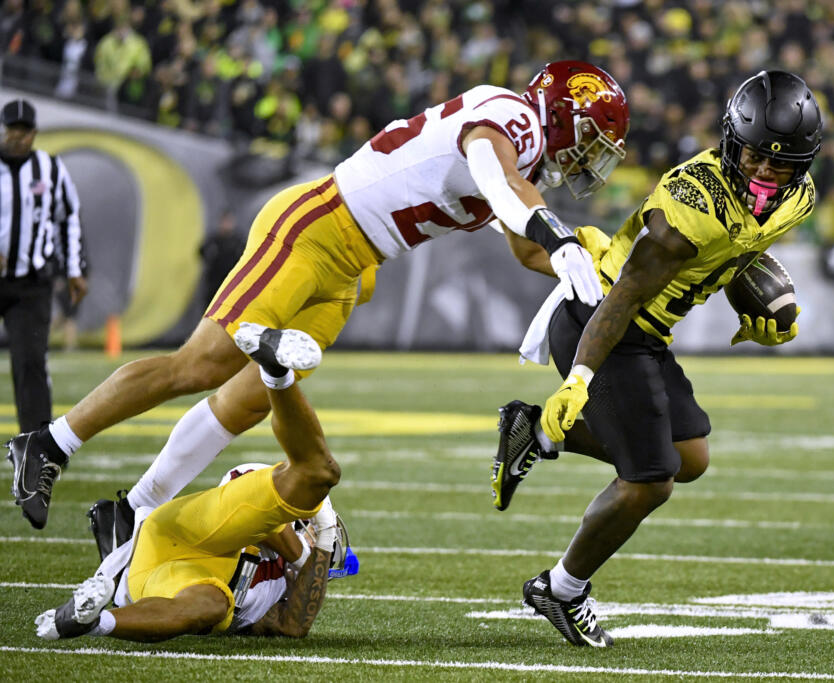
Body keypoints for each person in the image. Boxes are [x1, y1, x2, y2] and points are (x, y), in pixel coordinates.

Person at [6, 60, 630, 530]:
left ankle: (134, 512)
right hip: (316, 228)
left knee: (255, 395)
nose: (588, 164)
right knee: (202, 362)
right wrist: (557, 235)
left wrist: (609, 273)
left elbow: (524, 242)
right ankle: (50, 442)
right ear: (564, 115)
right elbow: (495, 172)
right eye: (592, 144)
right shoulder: (511, 120)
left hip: (353, 265)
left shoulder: (519, 167)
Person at [490, 71, 823, 647]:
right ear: (729, 142)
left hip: (650, 332)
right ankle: (562, 589)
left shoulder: (800, 200)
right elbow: (622, 298)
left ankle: (537, 436)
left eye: (783, 163)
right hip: (605, 322)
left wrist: (756, 309)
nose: (767, 173)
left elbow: (735, 254)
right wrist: (579, 380)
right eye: (755, 158)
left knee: (689, 457)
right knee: (650, 480)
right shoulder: (688, 207)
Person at [34, 323, 345, 641]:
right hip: (180, 533)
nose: (317, 531)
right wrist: (305, 553)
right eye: (318, 530)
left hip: (153, 581)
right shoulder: (282, 533)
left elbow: (292, 627)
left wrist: (323, 541)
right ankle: (276, 372)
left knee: (211, 607)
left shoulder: (276, 594)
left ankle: (91, 622)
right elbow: (250, 494)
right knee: (319, 474)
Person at [0, 98, 88, 433]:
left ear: (34, 133)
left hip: (31, 283)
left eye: (24, 131)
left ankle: (35, 445)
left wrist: (74, 268)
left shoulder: (50, 168)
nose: (17, 137)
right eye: (12, 130)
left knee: (31, 362)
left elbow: (69, 218)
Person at [198, 209, 246, 307]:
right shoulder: (214, 241)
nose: (226, 224)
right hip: (214, 288)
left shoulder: (238, 242)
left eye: (229, 221)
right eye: (224, 221)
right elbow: (201, 252)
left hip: (232, 288)